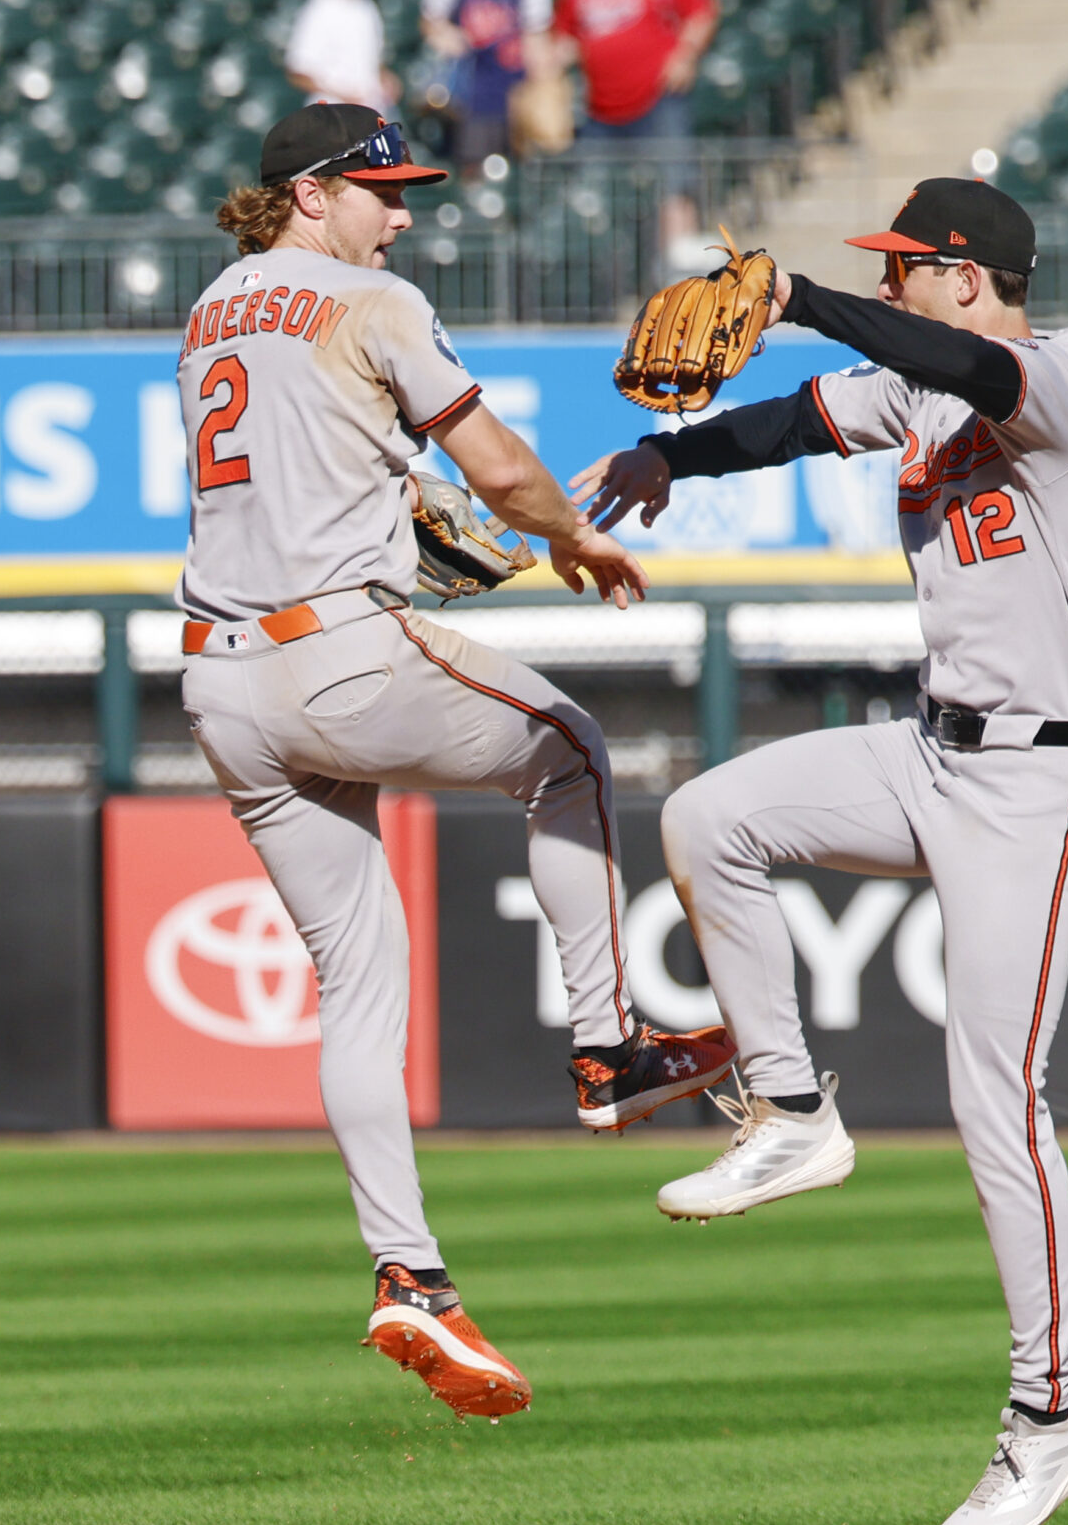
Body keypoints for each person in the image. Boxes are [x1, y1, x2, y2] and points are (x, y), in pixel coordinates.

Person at [571, 179, 1068, 1525]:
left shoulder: (1058, 377)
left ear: (963, 272)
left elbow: (967, 364)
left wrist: (805, 301)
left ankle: (1049, 1413)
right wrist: (670, 456)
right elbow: (798, 421)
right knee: (711, 818)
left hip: (1037, 777)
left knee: (994, 1094)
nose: (886, 289)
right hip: (933, 751)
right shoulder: (922, 395)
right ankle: (791, 1112)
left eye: (900, 271)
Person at [176, 102, 738, 1419]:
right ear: (310, 195)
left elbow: (316, 466)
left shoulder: (210, 308)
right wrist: (570, 542)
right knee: (574, 753)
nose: (403, 210)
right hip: (341, 655)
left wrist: (398, 517)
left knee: (358, 982)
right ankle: (610, 1049)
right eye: (380, 188)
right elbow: (495, 464)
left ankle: (411, 1274)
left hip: (220, 679)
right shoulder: (374, 302)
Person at [550, 0, 713, 263]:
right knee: (594, 191)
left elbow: (701, 12)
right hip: (599, 109)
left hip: (659, 96)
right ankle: (607, 274)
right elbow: (564, 38)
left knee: (673, 183)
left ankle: (680, 273)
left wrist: (685, 54)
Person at [420, 0, 553, 174]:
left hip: (515, 93)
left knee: (521, 173)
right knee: (473, 172)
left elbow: (537, 35)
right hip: (470, 95)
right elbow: (430, 22)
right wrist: (450, 38)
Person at [286, 0, 398, 111]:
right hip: (331, 114)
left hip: (371, 108)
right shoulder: (319, 9)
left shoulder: (367, 6)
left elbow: (372, 60)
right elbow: (298, 73)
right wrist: (343, 97)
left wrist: (385, 77)